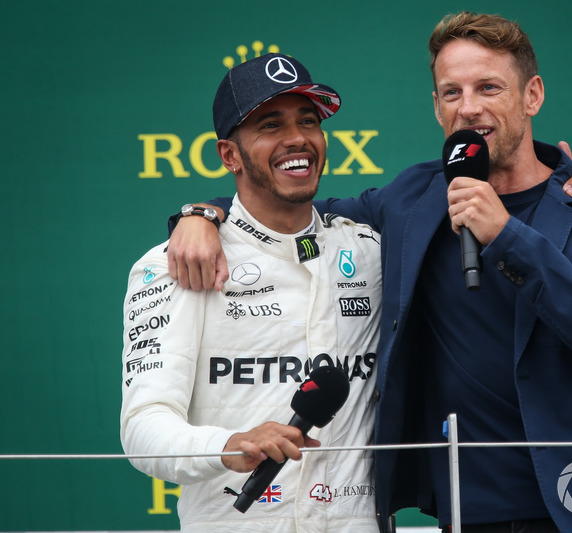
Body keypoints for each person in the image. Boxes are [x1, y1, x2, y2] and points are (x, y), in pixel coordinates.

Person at [167, 11, 572, 533]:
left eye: (489, 87)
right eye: (452, 92)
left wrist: (509, 238)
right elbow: (288, 205)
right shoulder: (412, 199)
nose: (469, 108)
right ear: (435, 106)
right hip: (464, 513)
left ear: (532, 95)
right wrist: (201, 214)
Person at [120, 53, 383, 532]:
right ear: (230, 155)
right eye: (270, 125)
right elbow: (143, 430)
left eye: (309, 120)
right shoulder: (175, 264)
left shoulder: (370, 253)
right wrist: (230, 445)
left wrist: (564, 181)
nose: (297, 138)